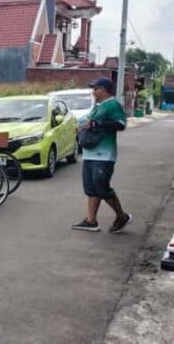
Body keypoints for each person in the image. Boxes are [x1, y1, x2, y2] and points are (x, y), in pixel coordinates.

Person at [72, 78, 133, 233]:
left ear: (104, 89)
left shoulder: (112, 105)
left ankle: (121, 216)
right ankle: (91, 220)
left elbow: (121, 124)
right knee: (91, 188)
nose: (93, 92)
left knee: (102, 188)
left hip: (104, 155)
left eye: (95, 88)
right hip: (90, 153)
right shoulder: (99, 107)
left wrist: (97, 124)